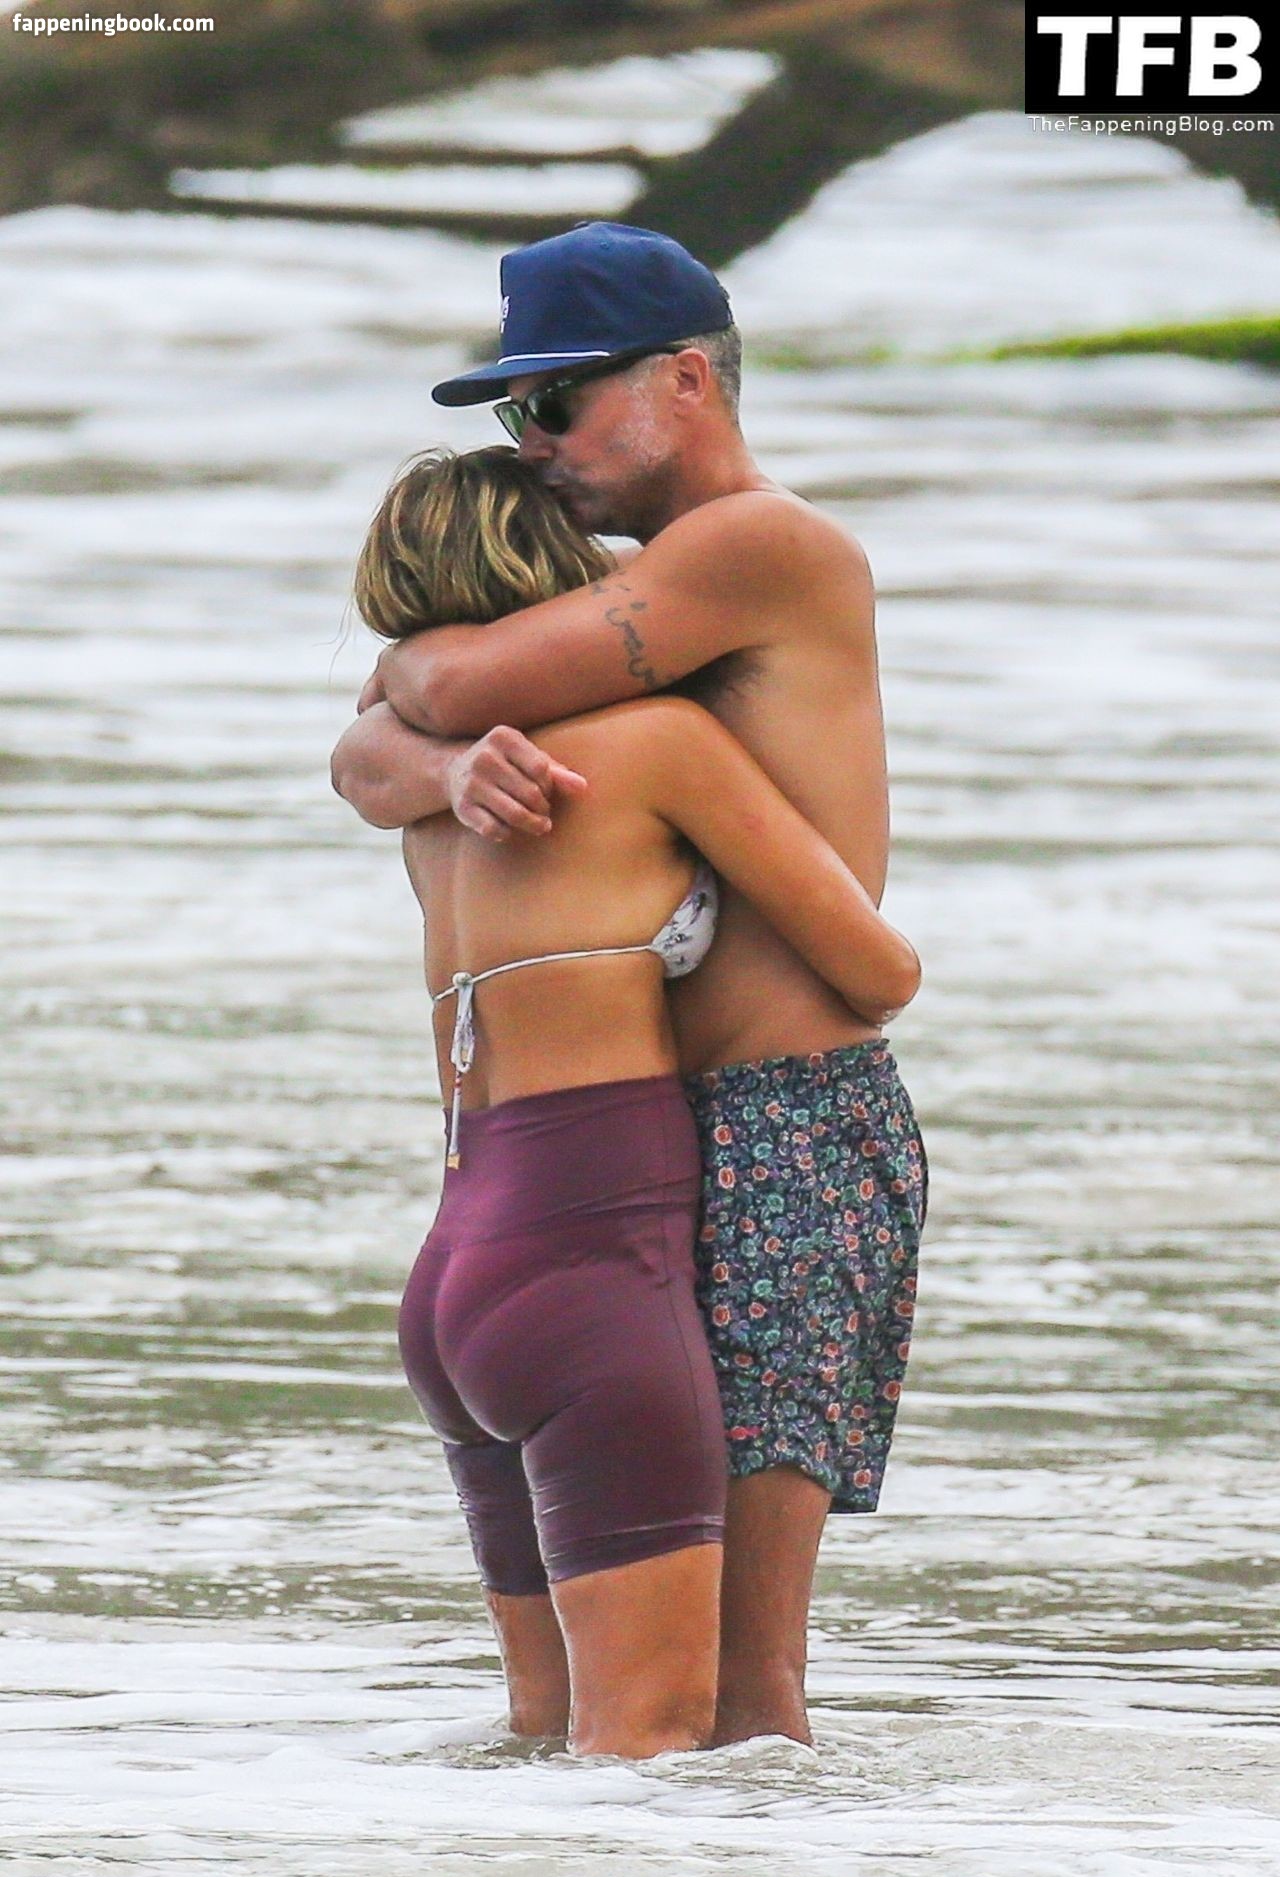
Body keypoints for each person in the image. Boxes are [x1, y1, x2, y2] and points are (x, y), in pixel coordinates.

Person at [332, 222, 929, 1748]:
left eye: (557, 402)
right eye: (512, 412)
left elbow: (438, 684)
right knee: (658, 1688)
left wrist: (422, 685)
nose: (531, 444)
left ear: (685, 381)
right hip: (645, 1147)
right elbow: (366, 754)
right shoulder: (636, 591)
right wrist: (442, 758)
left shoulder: (757, 544)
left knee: (743, 1682)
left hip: (786, 1124)